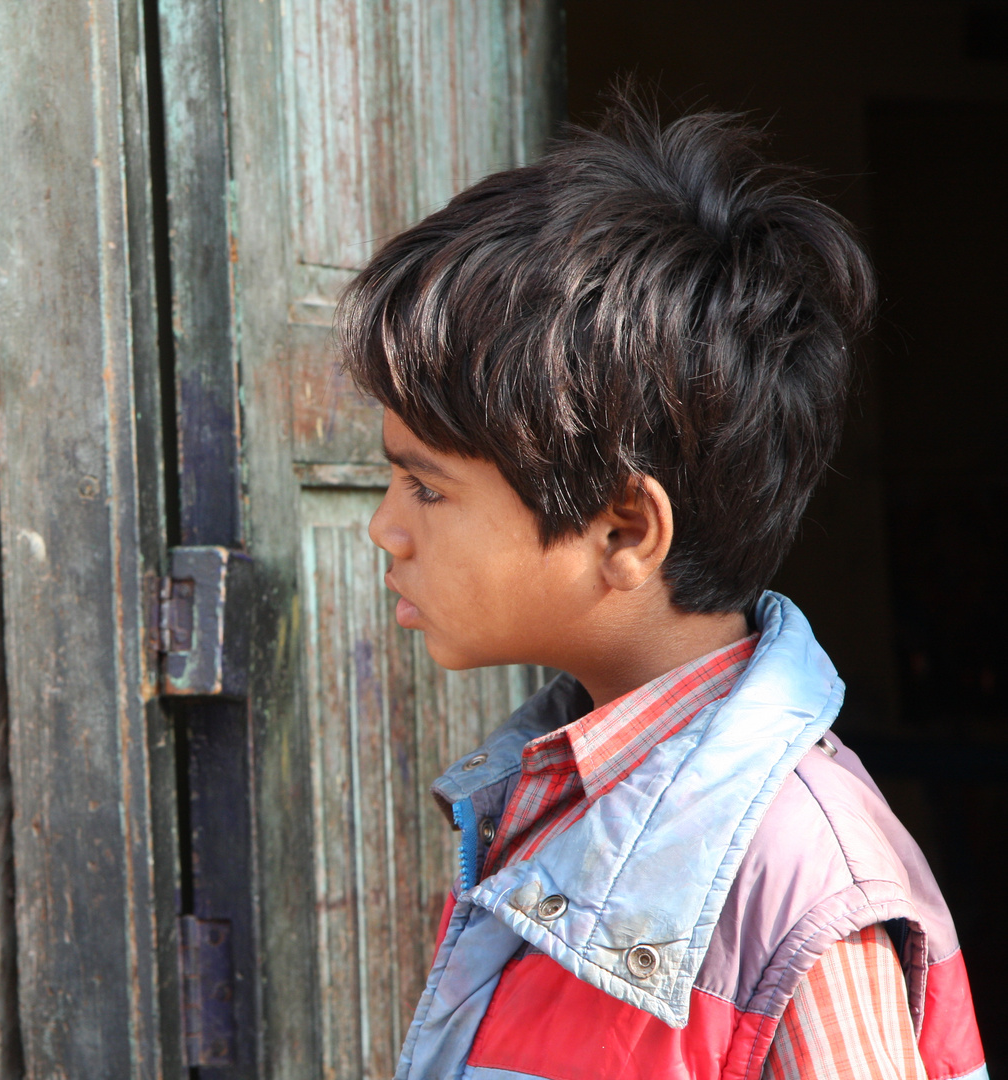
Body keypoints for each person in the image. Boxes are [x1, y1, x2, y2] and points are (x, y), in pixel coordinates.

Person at [338, 99, 988, 1080]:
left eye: (427, 486)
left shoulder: (803, 881)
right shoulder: (548, 792)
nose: (386, 527)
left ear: (624, 529)